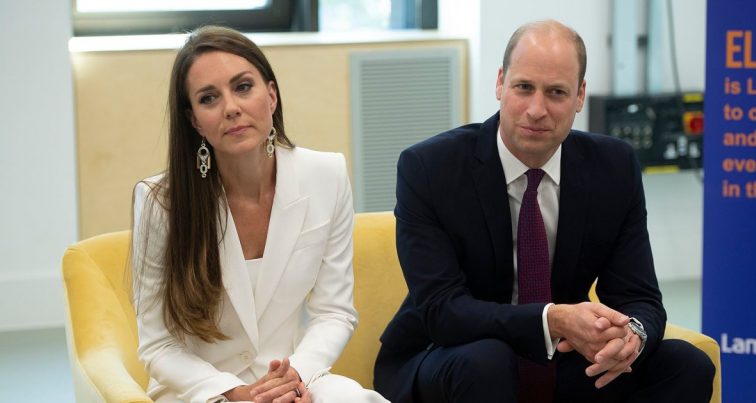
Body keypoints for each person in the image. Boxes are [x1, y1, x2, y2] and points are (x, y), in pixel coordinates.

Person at [373, 20, 715, 403]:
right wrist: (551, 320)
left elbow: (640, 296)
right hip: (449, 353)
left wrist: (631, 335)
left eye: (556, 92)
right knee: (487, 361)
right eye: (524, 87)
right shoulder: (430, 168)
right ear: (500, 83)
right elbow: (443, 311)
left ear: (579, 96)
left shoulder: (613, 167)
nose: (537, 109)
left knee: (687, 364)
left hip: (562, 358)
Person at [132, 25, 388, 403]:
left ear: (271, 95)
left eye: (243, 87)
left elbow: (334, 312)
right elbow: (157, 344)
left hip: (291, 377)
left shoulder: (327, 175)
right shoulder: (160, 202)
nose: (231, 107)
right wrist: (236, 393)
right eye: (208, 98)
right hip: (203, 390)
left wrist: (292, 378)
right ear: (194, 121)